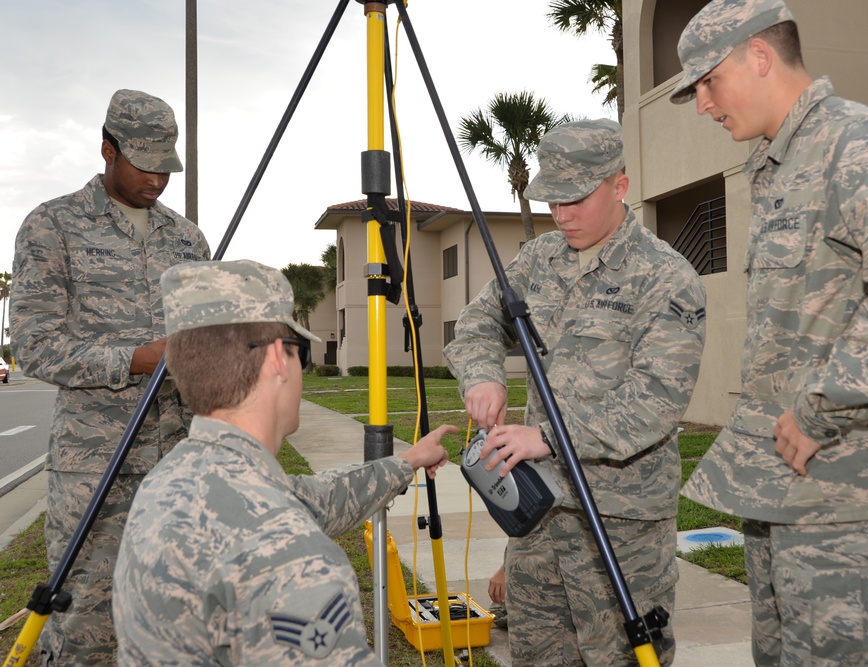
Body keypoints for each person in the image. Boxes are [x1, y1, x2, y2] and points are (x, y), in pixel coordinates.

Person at [669, 1, 868, 665]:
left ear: (759, 57)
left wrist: (826, 403)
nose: (702, 104)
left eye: (707, 82)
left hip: (848, 497)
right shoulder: (780, 163)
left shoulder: (856, 143)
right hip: (785, 490)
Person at [444, 118, 706, 667]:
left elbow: (656, 401)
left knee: (622, 658)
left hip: (619, 525)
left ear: (620, 185)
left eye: (576, 198)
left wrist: (547, 436)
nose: (561, 215)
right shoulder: (538, 261)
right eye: (552, 200)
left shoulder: (665, 276)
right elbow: (474, 325)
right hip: (538, 516)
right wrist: (483, 374)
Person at [112, 259, 454, 665]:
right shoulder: (291, 557)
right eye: (301, 353)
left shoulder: (169, 481)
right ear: (278, 357)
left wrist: (409, 460)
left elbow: (318, 497)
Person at [9, 89, 212, 665]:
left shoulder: (187, 238)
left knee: (173, 617)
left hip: (177, 458)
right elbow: (35, 347)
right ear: (107, 150)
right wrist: (134, 359)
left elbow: (202, 343)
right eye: (143, 163)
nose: (157, 180)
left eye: (166, 167)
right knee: (85, 629)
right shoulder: (53, 226)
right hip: (94, 468)